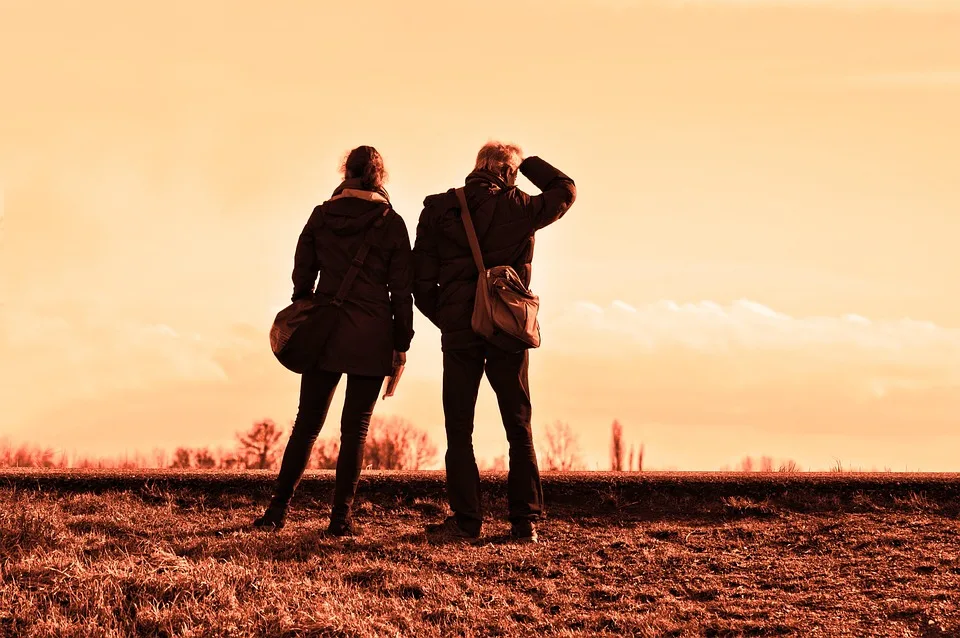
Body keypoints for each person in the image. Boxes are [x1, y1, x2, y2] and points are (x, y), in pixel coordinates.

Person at [412, 141, 576, 543]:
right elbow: (565, 190)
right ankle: (525, 522)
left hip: (460, 332)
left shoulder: (439, 210)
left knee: (459, 427)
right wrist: (531, 160)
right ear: (508, 173)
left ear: (477, 168)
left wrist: (452, 319)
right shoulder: (520, 207)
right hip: (507, 328)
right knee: (518, 426)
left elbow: (419, 283)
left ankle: (466, 521)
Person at [254, 145, 414, 536]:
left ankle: (277, 511)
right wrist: (401, 341)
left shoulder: (322, 215)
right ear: (380, 176)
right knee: (355, 429)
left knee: (306, 425)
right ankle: (340, 519)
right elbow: (401, 291)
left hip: (325, 330)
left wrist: (305, 305)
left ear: (346, 172)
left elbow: (302, 271)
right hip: (373, 332)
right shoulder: (391, 222)